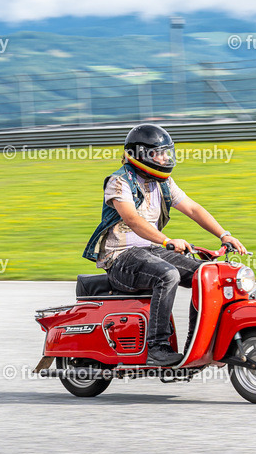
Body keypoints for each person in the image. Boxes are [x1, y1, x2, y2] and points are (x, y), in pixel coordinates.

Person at [83, 124, 247, 366]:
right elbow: (133, 220)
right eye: (157, 153)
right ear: (139, 155)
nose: (164, 158)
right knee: (167, 275)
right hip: (120, 258)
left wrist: (224, 235)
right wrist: (167, 241)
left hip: (150, 251)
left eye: (166, 152)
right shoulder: (119, 182)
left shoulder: (163, 182)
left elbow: (193, 208)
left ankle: (198, 345)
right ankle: (157, 348)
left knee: (204, 274)